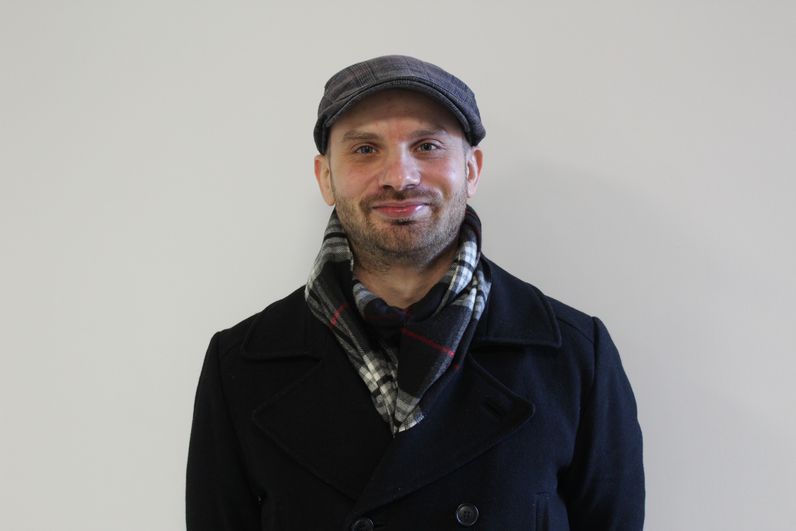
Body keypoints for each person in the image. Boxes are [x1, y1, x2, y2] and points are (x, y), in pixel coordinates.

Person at [186, 55, 644, 531]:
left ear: (472, 169)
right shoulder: (239, 364)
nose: (399, 177)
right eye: (365, 149)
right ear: (325, 178)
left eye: (427, 146)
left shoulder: (575, 357)